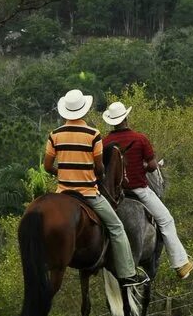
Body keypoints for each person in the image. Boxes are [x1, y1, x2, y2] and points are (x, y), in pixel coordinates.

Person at [44, 90, 148, 288]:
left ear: (65, 111)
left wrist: (64, 172)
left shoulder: (54, 135)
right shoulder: (93, 135)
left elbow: (47, 166)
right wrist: (92, 173)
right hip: (88, 194)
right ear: (84, 110)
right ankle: (128, 274)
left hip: (63, 194)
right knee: (117, 228)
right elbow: (100, 168)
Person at [102, 101, 193, 280]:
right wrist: (142, 166)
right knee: (166, 220)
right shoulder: (140, 138)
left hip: (113, 196)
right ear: (126, 118)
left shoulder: (104, 142)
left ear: (111, 121)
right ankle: (181, 264)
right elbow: (153, 166)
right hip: (138, 190)